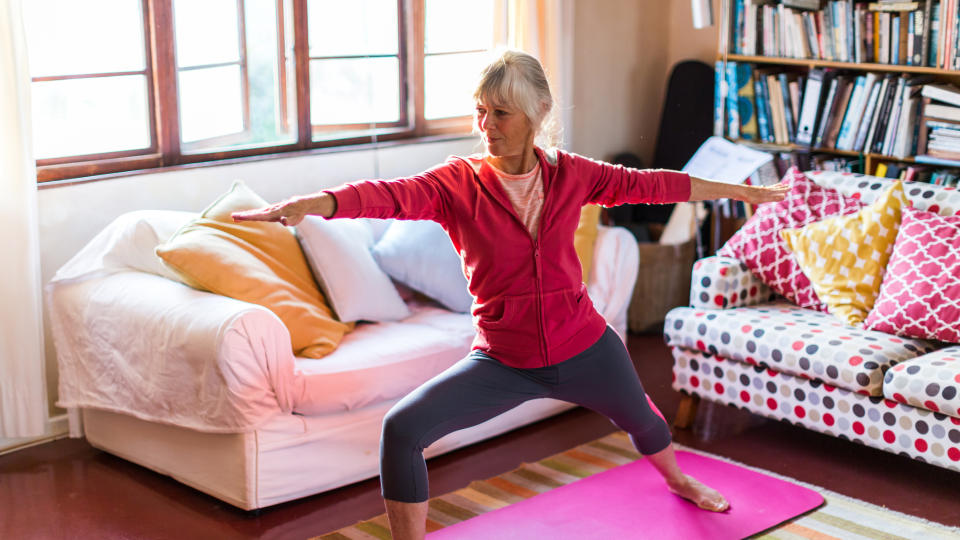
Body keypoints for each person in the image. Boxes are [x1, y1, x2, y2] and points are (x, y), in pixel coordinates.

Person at [234, 49, 789, 540]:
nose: (486, 125)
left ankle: (678, 479)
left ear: (537, 115)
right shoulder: (455, 184)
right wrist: (316, 201)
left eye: (500, 113)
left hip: (585, 344)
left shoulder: (572, 175)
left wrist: (742, 192)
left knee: (644, 420)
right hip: (503, 360)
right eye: (480, 110)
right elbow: (386, 196)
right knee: (401, 429)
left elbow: (658, 184)